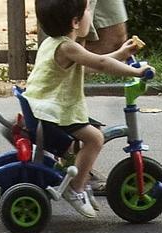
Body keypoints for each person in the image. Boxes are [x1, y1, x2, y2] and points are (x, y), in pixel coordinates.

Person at [26, 0, 150, 218]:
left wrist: (121, 54)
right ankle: (76, 188)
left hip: (42, 107)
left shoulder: (56, 43)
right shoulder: (68, 47)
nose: (90, 15)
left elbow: (94, 62)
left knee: (91, 131)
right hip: (52, 112)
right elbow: (100, 63)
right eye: (87, 11)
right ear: (75, 22)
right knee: (95, 138)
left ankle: (77, 178)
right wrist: (138, 73)